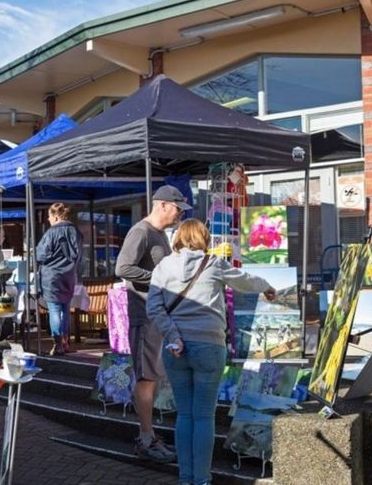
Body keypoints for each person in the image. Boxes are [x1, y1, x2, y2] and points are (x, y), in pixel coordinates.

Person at [147, 219, 275, 485]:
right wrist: (268, 286)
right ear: (204, 238)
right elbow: (246, 281)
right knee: (204, 415)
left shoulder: (162, 267)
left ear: (179, 238)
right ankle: (202, 480)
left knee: (184, 415)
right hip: (209, 346)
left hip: (176, 349)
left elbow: (154, 309)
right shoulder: (214, 264)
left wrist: (173, 336)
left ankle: (186, 479)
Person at [115, 185, 188, 463]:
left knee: (151, 378)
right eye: (178, 207)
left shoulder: (157, 233)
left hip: (155, 315)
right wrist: (160, 278)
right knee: (146, 378)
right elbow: (122, 268)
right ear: (163, 206)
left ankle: (149, 435)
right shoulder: (141, 231)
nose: (180, 213)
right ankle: (146, 439)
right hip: (144, 316)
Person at [35, 202, 83, 356]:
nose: (48, 219)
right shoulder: (75, 231)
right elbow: (79, 255)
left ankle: (58, 344)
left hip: (51, 276)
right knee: (65, 310)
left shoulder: (51, 233)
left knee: (55, 309)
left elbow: (40, 255)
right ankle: (65, 342)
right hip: (69, 275)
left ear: (55, 216)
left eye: (49, 216)